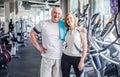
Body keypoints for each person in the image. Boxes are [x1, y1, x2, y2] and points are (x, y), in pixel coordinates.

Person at [29, 7, 63, 77]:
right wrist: (39, 47)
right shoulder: (43, 23)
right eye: (55, 13)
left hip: (60, 57)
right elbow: (32, 34)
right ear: (51, 13)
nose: (56, 15)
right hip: (47, 56)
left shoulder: (64, 25)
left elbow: (74, 31)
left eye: (59, 13)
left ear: (61, 15)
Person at [61, 13, 88, 77]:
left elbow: (85, 48)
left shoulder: (81, 30)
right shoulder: (66, 31)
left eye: (71, 18)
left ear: (74, 19)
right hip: (66, 56)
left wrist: (82, 61)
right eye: (67, 19)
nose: (69, 20)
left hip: (77, 57)